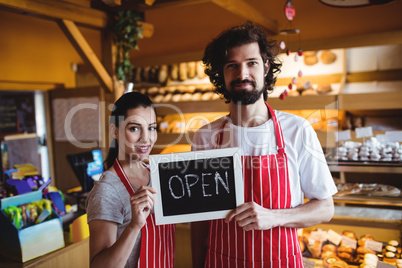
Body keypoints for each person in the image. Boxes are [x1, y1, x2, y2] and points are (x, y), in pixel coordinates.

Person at [191, 21, 338, 268]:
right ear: (221, 73)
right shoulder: (205, 137)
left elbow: (325, 208)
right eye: (232, 66)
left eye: (251, 63)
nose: (242, 74)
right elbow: (199, 221)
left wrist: (274, 217)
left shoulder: (297, 130)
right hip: (221, 262)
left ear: (266, 67)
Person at [86, 92, 175, 268]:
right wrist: (134, 226)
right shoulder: (107, 191)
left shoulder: (159, 176)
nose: (146, 138)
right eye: (134, 128)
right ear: (115, 131)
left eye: (151, 128)